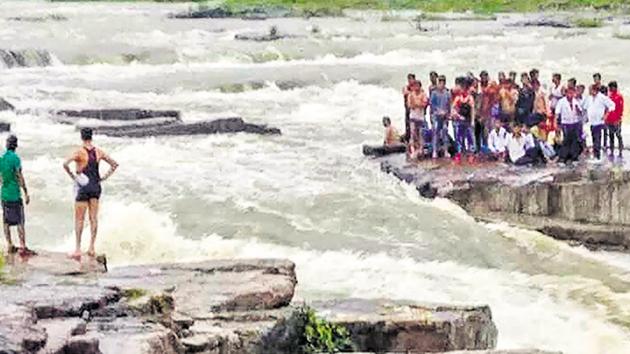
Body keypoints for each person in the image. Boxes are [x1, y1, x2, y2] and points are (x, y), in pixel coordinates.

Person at [63, 128, 118, 259]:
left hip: (83, 187)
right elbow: (114, 164)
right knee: (93, 218)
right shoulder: (98, 151)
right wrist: (104, 178)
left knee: (79, 219)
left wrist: (72, 176)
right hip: (95, 186)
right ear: (91, 137)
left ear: (82, 137)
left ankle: (77, 249)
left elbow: (65, 164)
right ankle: (92, 248)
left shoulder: (79, 152)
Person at [0, 136, 35, 256]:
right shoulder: (15, 159)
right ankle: (22, 246)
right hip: (14, 194)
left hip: (4, 194)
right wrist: (26, 192)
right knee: (20, 221)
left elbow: (0, 178)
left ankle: (9, 244)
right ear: (16, 146)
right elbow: (19, 176)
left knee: (6, 221)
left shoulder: (2, 159)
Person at [582, 84, 616, 160]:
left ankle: (597, 157)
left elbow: (612, 105)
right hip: (591, 122)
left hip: (599, 122)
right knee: (594, 138)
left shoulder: (602, 97)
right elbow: (585, 107)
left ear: (594, 90)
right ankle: (596, 155)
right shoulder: (589, 98)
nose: (589, 91)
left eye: (590, 90)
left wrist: (606, 115)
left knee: (597, 139)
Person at [555, 87, 583, 163]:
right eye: (569, 93)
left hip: (575, 122)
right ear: (566, 93)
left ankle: (574, 157)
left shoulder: (575, 101)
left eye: (572, 93)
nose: (570, 95)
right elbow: (557, 113)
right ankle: (563, 158)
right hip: (566, 123)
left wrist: (578, 110)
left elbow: (580, 113)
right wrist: (557, 124)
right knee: (566, 141)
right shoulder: (561, 102)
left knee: (575, 141)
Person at [452, 79, 476, 161]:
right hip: (460, 121)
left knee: (470, 138)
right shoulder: (458, 98)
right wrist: (458, 116)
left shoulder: (470, 98)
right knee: (459, 138)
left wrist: (472, 121)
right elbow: (453, 109)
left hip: (468, 121)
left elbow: (472, 110)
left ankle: (471, 154)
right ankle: (458, 153)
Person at [430, 75, 452, 159]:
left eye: (443, 82)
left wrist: (447, 113)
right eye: (440, 82)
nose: (441, 84)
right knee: (435, 132)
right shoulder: (434, 93)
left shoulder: (447, 93)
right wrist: (438, 112)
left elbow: (449, 104)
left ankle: (445, 151)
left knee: (445, 132)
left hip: (445, 117)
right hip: (436, 116)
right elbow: (432, 105)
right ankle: (435, 151)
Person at [407, 80, 429, 159]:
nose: (416, 88)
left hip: (420, 117)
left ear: (420, 86)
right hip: (413, 117)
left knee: (421, 134)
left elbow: (424, 104)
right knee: (413, 134)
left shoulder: (423, 94)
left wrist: (417, 103)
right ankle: (413, 150)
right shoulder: (411, 95)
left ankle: (420, 150)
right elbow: (410, 105)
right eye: (414, 86)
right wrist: (418, 103)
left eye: (417, 86)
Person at [606, 81, 625, 159]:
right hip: (609, 119)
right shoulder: (609, 96)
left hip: (616, 120)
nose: (610, 89)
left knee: (618, 135)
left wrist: (618, 119)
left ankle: (620, 151)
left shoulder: (619, 96)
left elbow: (621, 109)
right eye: (609, 87)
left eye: (611, 87)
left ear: (614, 87)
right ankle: (612, 151)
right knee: (611, 136)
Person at [402, 73, 416, 142]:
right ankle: (408, 137)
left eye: (411, 79)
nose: (410, 81)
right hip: (407, 108)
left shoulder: (416, 88)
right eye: (409, 79)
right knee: (407, 123)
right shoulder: (406, 87)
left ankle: (414, 139)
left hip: (414, 109)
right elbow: (405, 92)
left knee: (414, 124)